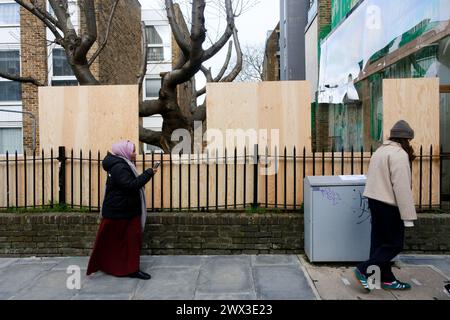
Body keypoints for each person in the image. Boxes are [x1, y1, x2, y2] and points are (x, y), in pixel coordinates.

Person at [354, 120, 417, 291]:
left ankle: (384, 279)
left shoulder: (380, 151)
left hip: (374, 201)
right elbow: (402, 187)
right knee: (395, 244)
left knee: (379, 243)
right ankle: (363, 269)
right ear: (406, 139)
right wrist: (408, 217)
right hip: (390, 204)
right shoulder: (398, 154)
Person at [87, 140, 158, 280]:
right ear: (124, 152)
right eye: (132, 150)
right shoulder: (120, 167)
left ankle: (128, 268)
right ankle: (128, 269)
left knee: (126, 241)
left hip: (125, 208)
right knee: (124, 241)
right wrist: (149, 173)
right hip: (120, 210)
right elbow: (130, 185)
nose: (135, 153)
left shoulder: (121, 164)